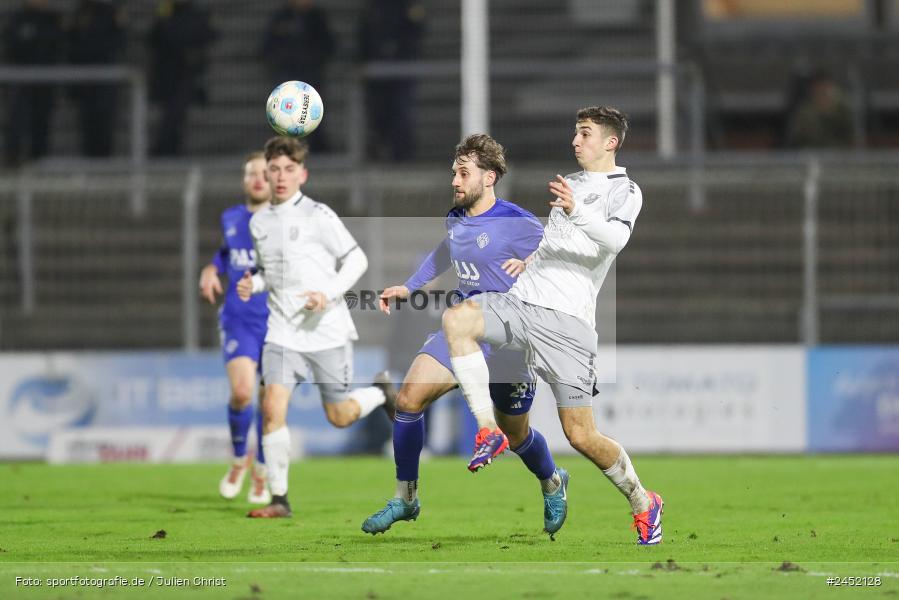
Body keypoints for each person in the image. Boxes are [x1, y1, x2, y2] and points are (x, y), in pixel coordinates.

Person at [441, 107, 664, 545]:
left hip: (568, 324)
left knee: (581, 434)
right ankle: (487, 428)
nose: (576, 141)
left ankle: (643, 501)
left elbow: (615, 240)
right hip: (523, 302)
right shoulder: (572, 183)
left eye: (585, 134)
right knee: (457, 319)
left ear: (610, 142)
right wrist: (530, 259)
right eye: (575, 133)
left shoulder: (626, 190)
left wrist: (577, 209)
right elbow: (559, 241)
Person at [362, 134, 570, 536]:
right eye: (453, 173)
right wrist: (410, 287)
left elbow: (560, 253)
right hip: (462, 330)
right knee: (408, 399)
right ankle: (406, 498)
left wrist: (530, 264)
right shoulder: (456, 218)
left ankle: (553, 481)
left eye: (463, 173)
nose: (455, 181)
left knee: (517, 434)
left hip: (507, 341)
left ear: (489, 177)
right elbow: (445, 251)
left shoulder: (516, 222)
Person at [237, 135, 396, 518]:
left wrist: (326, 293)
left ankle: (379, 393)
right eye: (273, 169)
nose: (279, 176)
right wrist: (254, 283)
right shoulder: (258, 223)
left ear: (302, 175)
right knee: (272, 407)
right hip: (282, 331)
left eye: (288, 170)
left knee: (339, 416)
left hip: (326, 328)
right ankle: (279, 499)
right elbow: (272, 273)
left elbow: (356, 259)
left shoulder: (318, 215)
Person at [199, 152, 272, 505]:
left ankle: (261, 470)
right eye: (251, 173)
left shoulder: (284, 222)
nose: (257, 178)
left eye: (264, 173)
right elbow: (226, 254)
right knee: (243, 393)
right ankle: (239, 458)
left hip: (276, 321)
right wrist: (212, 269)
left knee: (268, 401)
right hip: (238, 319)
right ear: (244, 181)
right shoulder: (230, 217)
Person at [261, 0, 334, 152]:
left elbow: (328, 45)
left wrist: (312, 60)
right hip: (286, 77)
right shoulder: (280, 17)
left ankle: (316, 147)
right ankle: (283, 147)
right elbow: (267, 47)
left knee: (311, 115)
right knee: (284, 116)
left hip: (311, 76)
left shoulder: (317, 18)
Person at [356, 0, 424, 161]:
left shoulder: (408, 6)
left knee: (401, 113)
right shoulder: (372, 8)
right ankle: (380, 153)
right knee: (379, 115)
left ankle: (402, 155)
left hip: (402, 70)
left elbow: (416, 32)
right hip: (376, 71)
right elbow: (364, 34)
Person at [148, 0, 215, 156]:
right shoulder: (166, 12)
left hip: (186, 74)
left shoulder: (196, 13)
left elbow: (207, 35)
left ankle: (168, 149)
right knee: (169, 113)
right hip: (166, 74)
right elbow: (155, 38)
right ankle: (166, 149)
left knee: (177, 113)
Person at [2, 0, 63, 167]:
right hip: (21, 82)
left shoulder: (53, 19)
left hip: (44, 83)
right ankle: (12, 164)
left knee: (41, 125)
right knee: (16, 123)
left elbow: (56, 47)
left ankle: (39, 164)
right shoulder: (17, 18)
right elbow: (13, 46)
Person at [66, 0, 127, 157]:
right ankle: (89, 154)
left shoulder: (110, 12)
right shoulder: (79, 13)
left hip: (105, 76)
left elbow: (118, 41)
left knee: (105, 118)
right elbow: (72, 43)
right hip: (84, 76)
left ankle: (104, 156)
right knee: (87, 119)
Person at [785, 70, 853, 149]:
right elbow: (795, 141)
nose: (822, 92)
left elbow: (850, 139)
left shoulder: (842, 111)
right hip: (811, 155)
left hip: (839, 155)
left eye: (826, 88)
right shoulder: (804, 113)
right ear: (812, 90)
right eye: (819, 89)